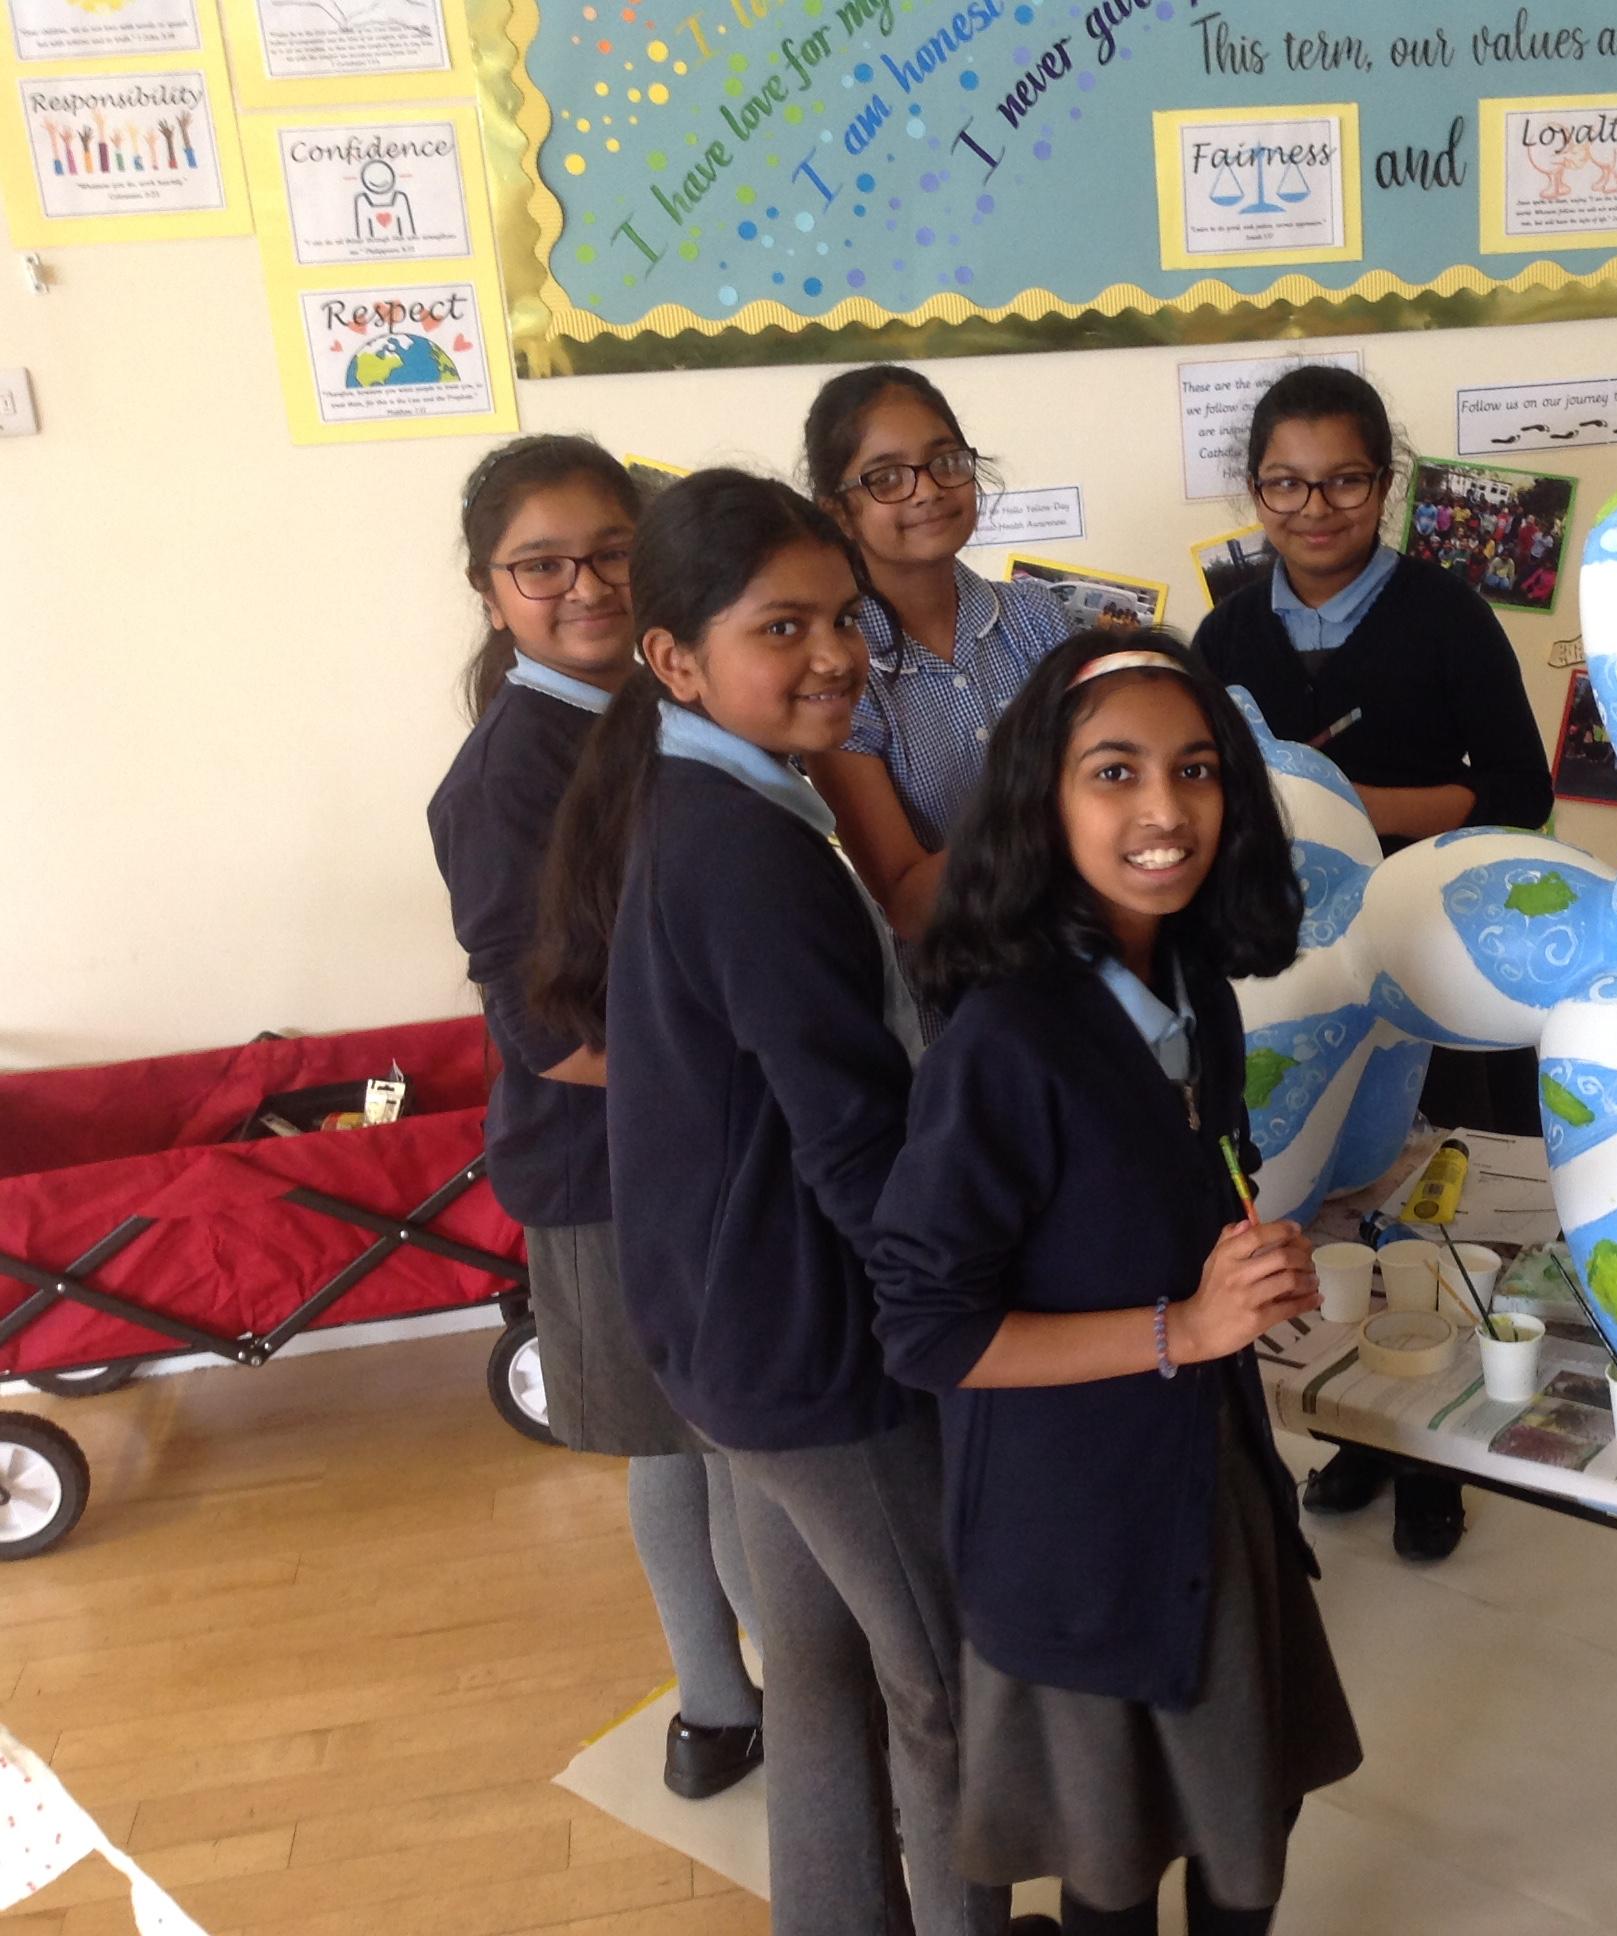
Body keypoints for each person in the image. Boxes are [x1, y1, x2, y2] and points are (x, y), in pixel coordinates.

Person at [525, 469, 1026, 1936]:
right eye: (782, 629)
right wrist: (959, 1321)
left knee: (819, 1669)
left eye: (843, 619)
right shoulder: (746, 847)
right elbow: (853, 1141)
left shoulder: (706, 792)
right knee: (946, 1682)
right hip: (816, 1355)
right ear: (675, 659)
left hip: (726, 1333)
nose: (834, 655)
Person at [873, 630, 1362, 1936]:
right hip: (1079, 1528)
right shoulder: (1005, 1043)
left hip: (1208, 1479)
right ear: (1041, 799)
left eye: (1197, 770)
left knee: (1250, 1813)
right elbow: (928, 1331)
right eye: (1115, 772)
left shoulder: (1192, 986)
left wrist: (1246, 1266)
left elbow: (1181, 1190)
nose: (1165, 811)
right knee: (1115, 1856)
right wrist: (1184, 1326)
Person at [425, 435, 765, 1804]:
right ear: (489, 588)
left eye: (612, 552)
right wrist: (767, 1070)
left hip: (714, 1143)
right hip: (612, 1172)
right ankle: (738, 1700)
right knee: (699, 1446)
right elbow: (551, 1038)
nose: (586, 586)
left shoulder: (668, 702)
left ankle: (753, 1695)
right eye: (541, 565)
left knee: (724, 1441)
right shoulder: (506, 774)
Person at [1192, 364, 1553, 1565]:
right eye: (1285, 484)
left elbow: (1518, 792)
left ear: (1385, 484)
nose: (1315, 508)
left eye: (1344, 481)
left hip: (1429, 956)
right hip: (1291, 976)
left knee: (1431, 1207)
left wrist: (1337, 801)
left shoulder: (1446, 613)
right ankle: (1362, 1431)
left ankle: (1437, 1459)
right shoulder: (1225, 633)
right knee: (1328, 1210)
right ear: (1254, 490)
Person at [801, 366, 1070, 993]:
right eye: (886, 477)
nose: (927, 491)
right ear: (839, 513)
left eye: (945, 461)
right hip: (959, 1002)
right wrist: (1072, 828)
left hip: (1089, 965)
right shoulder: (839, 673)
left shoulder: (1039, 619)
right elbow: (910, 901)